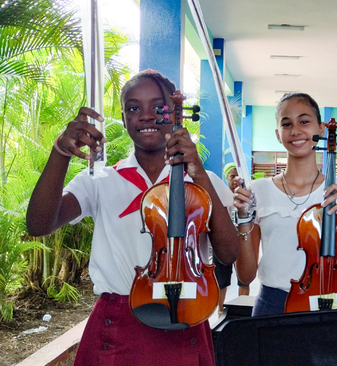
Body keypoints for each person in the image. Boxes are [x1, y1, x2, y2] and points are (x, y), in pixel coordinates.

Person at [25, 70, 238, 365]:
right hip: (117, 324)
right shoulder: (100, 180)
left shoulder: (203, 182)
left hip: (185, 314)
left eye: (159, 107)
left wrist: (198, 171)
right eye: (134, 108)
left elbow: (228, 253)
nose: (146, 116)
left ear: (178, 113)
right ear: (124, 119)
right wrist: (61, 150)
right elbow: (38, 224)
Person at [233, 93, 337, 317]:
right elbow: (246, 276)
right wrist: (243, 220)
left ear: (322, 129)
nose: (295, 130)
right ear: (278, 134)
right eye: (287, 124)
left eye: (304, 121)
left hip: (328, 299)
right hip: (273, 306)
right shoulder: (258, 189)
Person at [213, 162, 250, 316]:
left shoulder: (247, 196)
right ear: (226, 178)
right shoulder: (221, 195)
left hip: (242, 241)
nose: (235, 179)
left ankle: (243, 311)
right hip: (222, 241)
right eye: (231, 176)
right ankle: (220, 310)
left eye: (237, 175)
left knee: (244, 278)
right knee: (221, 279)